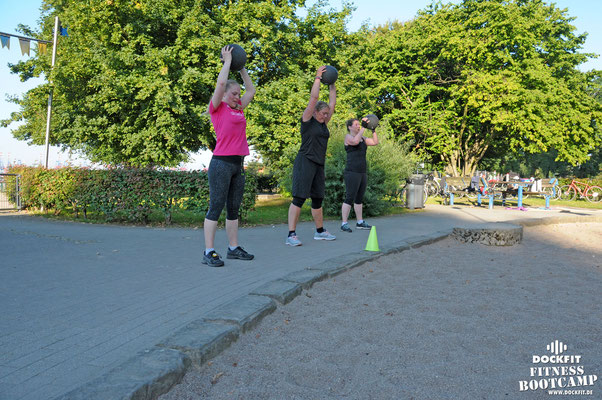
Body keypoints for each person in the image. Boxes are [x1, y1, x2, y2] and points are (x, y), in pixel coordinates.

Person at [203, 45, 256, 267]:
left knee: (234, 208)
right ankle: (209, 251)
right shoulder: (217, 108)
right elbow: (222, 83)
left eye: (237, 94)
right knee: (216, 206)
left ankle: (233, 248)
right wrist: (227, 61)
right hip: (221, 164)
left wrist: (241, 68)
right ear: (224, 95)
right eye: (233, 94)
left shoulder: (239, 109)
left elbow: (251, 91)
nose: (237, 97)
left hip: (238, 164)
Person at [286, 66, 337, 246]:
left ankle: (320, 231)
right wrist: (318, 78)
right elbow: (314, 98)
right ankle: (291, 235)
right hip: (305, 161)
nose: (326, 115)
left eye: (326, 114)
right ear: (315, 112)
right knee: (299, 198)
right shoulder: (308, 120)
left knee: (318, 198)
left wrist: (332, 84)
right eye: (323, 113)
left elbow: (332, 103)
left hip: (318, 164)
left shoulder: (323, 123)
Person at [340, 118, 379, 233]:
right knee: (350, 197)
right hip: (351, 172)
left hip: (362, 172)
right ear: (350, 127)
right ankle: (344, 223)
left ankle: (360, 222)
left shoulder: (363, 138)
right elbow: (355, 142)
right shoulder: (348, 137)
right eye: (356, 125)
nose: (358, 126)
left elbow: (375, 142)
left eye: (359, 124)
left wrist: (373, 129)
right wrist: (363, 127)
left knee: (359, 198)